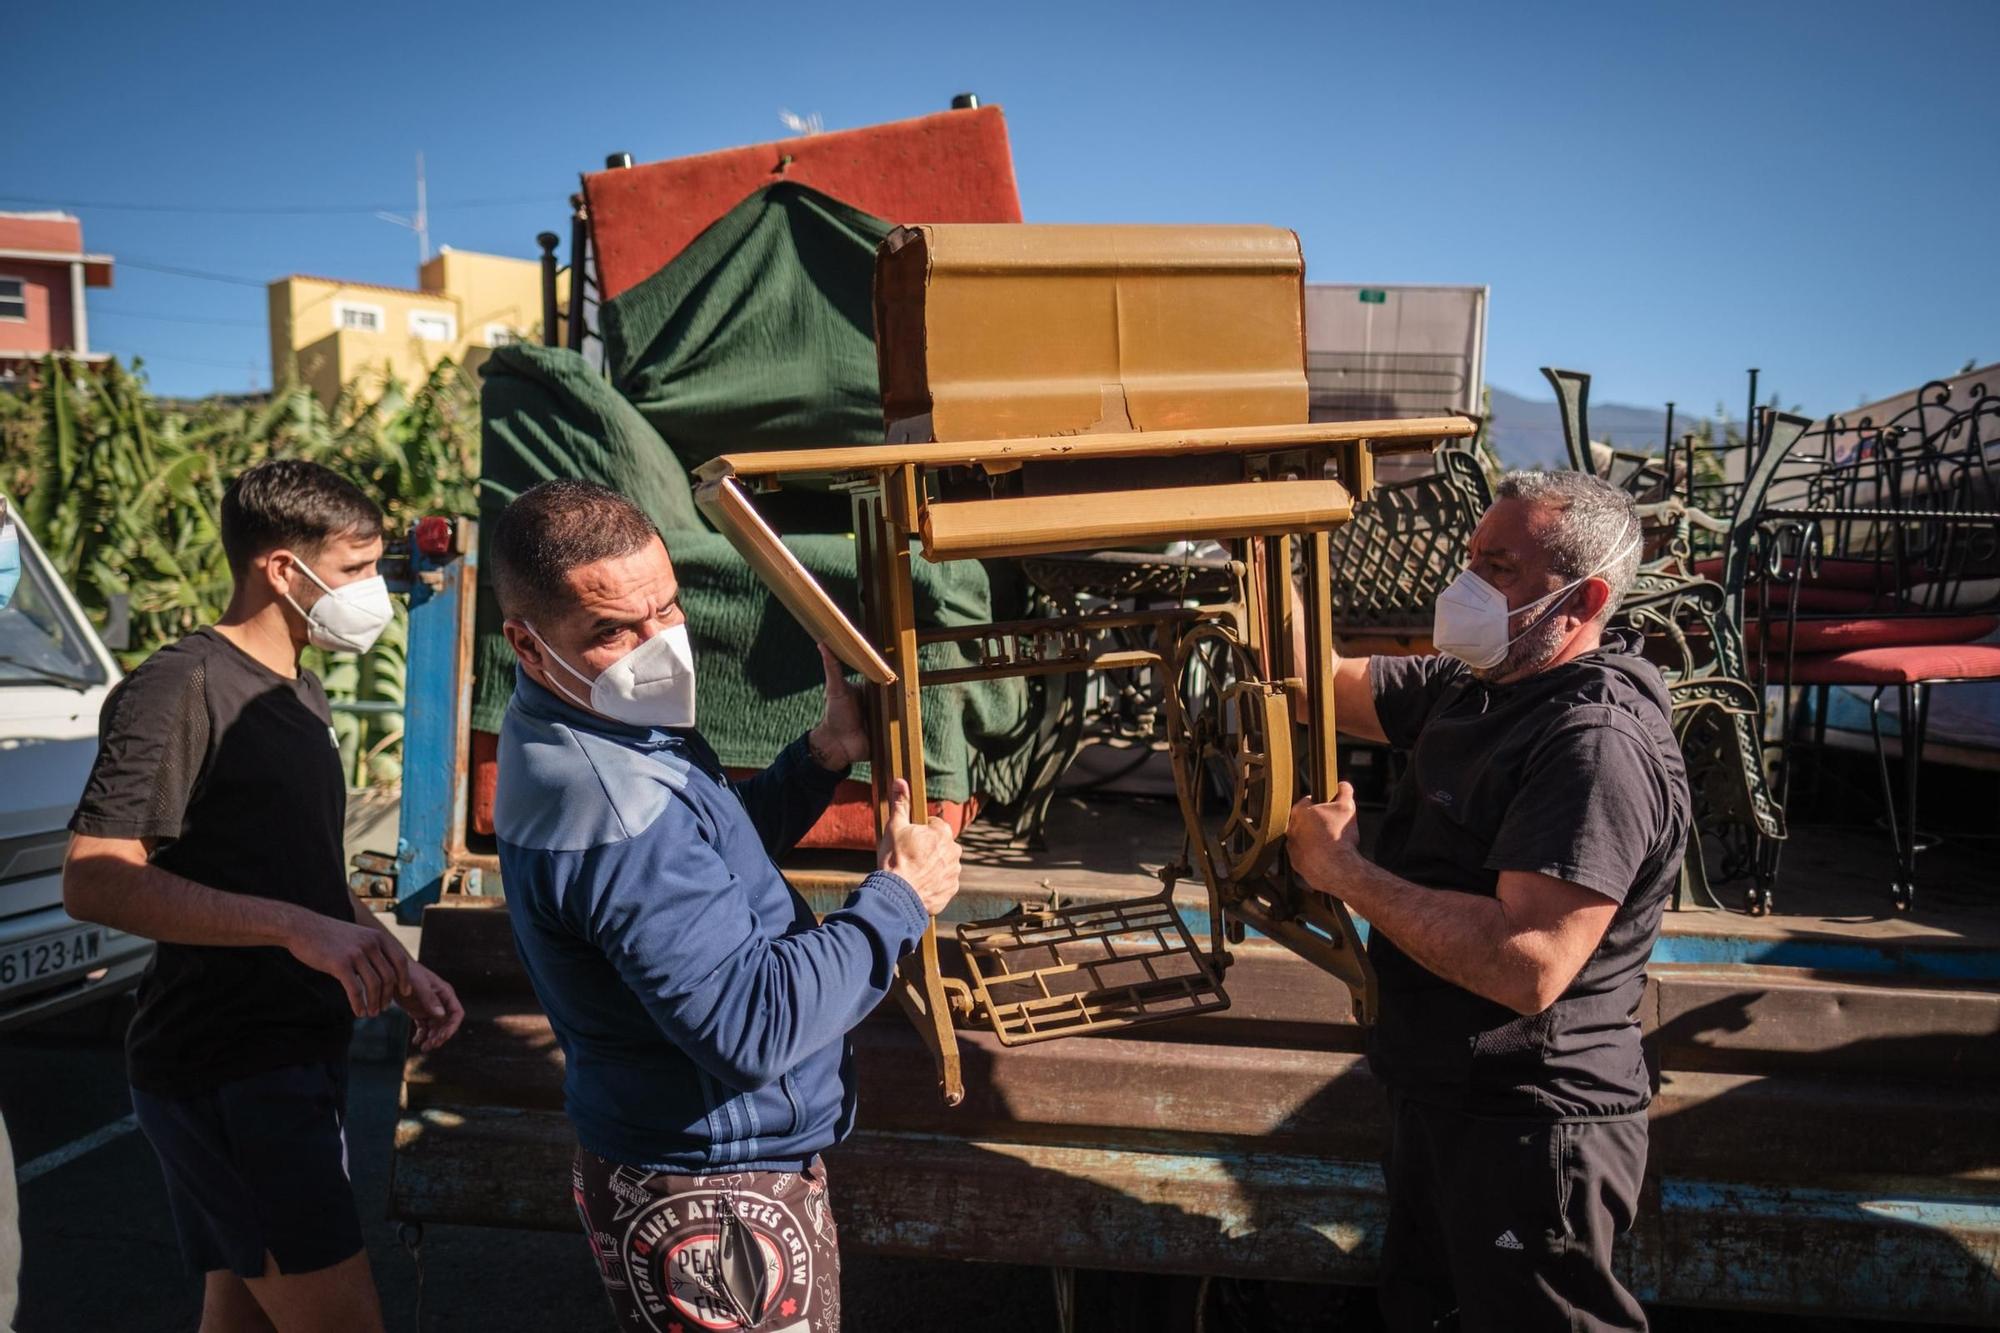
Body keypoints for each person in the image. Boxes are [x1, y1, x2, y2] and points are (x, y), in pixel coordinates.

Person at [488, 480, 961, 1333]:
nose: (657, 645)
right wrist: (899, 897)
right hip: (718, 1196)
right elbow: (754, 1026)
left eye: (665, 609)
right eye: (612, 630)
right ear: (526, 643)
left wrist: (819, 760)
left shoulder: (581, 726)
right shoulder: (617, 807)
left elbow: (702, 865)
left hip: (690, 1161)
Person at [62, 459, 464, 1333]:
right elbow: (93, 875)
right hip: (227, 1068)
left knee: (240, 1316)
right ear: (283, 568)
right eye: (356, 569)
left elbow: (303, 873)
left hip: (288, 1058)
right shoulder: (181, 685)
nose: (371, 592)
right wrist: (292, 929)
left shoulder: (300, 691)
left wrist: (390, 959)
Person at [1287, 469, 1690, 1333]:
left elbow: (1528, 962)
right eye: (1470, 559)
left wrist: (1347, 873)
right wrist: (1257, 544)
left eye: (1498, 569)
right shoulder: (1479, 680)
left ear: (1581, 601)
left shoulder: (1593, 742)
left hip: (1530, 1122)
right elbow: (1314, 680)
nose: (1466, 588)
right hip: (1446, 1095)